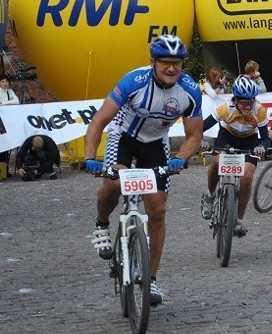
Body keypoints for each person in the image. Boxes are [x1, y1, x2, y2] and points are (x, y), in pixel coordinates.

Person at [83, 34, 203, 306]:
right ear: (153, 62)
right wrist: (90, 157)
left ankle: (151, 279)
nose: (171, 68)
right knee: (113, 184)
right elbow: (99, 120)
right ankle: (102, 224)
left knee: (158, 210)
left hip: (155, 145)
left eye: (177, 63)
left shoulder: (189, 89)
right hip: (122, 137)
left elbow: (194, 136)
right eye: (165, 63)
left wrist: (180, 158)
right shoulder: (134, 81)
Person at [200, 76, 270, 237]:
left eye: (250, 102)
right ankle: (210, 196)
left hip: (250, 141)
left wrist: (262, 147)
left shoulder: (259, 110)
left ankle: (238, 219)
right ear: (235, 99)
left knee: (246, 176)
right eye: (243, 102)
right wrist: (201, 140)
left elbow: (266, 138)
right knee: (216, 161)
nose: (247, 106)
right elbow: (202, 126)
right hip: (227, 137)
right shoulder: (226, 108)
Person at [0, 74, 20, 165]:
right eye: (2, 81)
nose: (5, 83)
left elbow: (16, 101)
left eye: (6, 81)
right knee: (1, 144)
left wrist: (4, 103)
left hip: (8, 119)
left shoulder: (10, 91)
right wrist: (7, 103)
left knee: (7, 144)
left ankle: (5, 167)